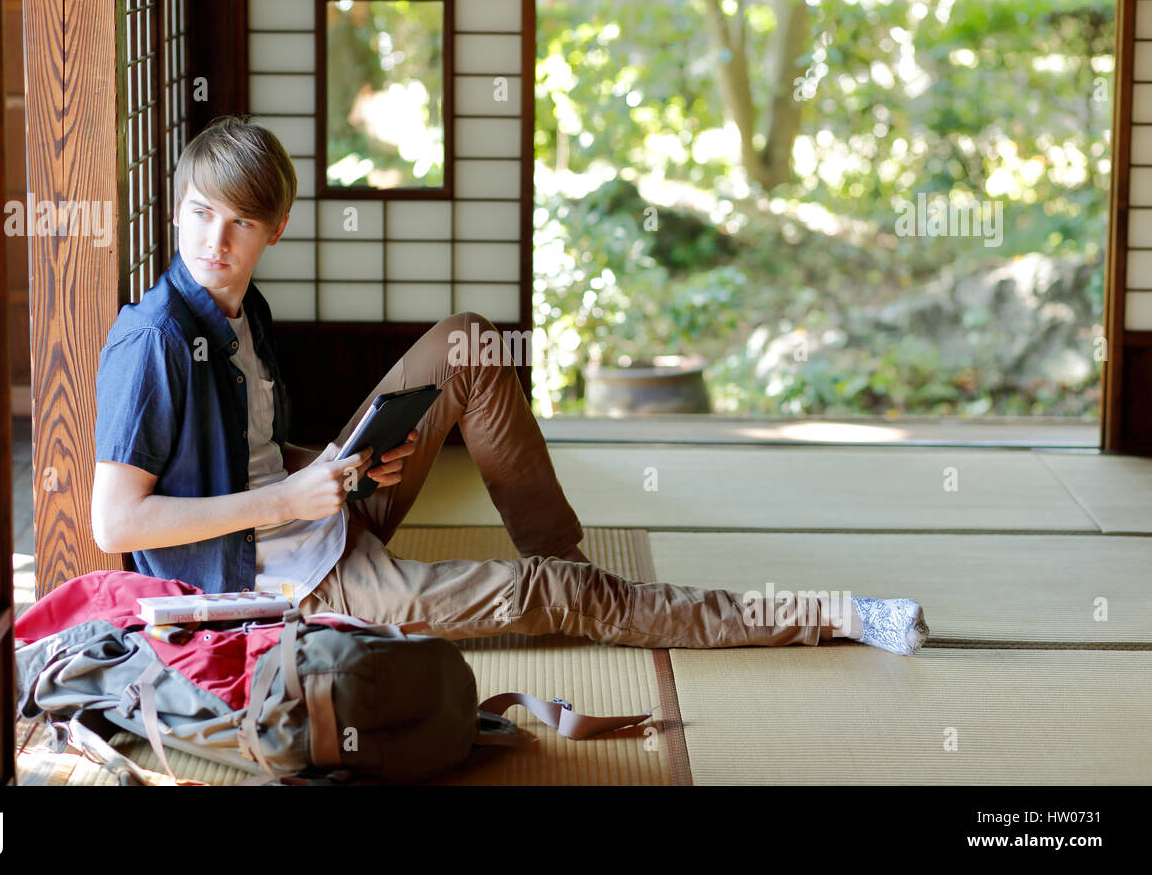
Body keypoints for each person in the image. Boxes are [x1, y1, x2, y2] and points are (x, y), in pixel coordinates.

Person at [91, 116, 929, 656]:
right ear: (176, 211)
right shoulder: (153, 342)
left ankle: (565, 577)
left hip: (318, 514)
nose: (217, 238)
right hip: (277, 584)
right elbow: (114, 522)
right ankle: (834, 614)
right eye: (201, 213)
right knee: (564, 596)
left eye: (241, 220)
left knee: (466, 344)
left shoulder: (241, 310)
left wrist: (341, 465)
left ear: (277, 229)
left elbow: (254, 456)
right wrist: (293, 502)